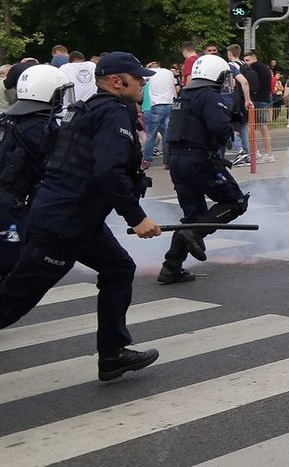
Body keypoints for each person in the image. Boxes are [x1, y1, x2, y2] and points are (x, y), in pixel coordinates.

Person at [0, 52, 162, 381]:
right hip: (63, 224)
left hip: (78, 218)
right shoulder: (115, 112)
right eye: (138, 78)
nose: (143, 83)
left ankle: (113, 353)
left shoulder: (88, 109)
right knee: (11, 302)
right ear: (118, 82)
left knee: (119, 268)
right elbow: (108, 171)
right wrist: (136, 217)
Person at [158, 54, 249, 284]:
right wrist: (229, 126)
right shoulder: (210, 96)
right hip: (198, 160)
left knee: (194, 215)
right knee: (235, 202)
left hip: (177, 162)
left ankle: (171, 266)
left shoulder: (183, 95)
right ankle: (195, 234)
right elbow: (218, 128)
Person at [0, 64, 70, 277]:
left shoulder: (12, 120)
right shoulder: (42, 129)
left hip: (8, 199)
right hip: (11, 204)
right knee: (10, 267)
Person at [141, 64, 177, 170]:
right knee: (167, 135)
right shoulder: (169, 72)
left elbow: (141, 82)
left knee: (151, 135)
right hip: (170, 103)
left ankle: (146, 160)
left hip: (156, 105)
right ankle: (168, 161)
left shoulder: (149, 73)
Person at [243, 50, 274, 163]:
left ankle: (261, 153)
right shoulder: (264, 67)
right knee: (261, 126)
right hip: (264, 98)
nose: (246, 63)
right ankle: (265, 152)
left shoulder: (254, 67)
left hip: (257, 99)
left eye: (247, 60)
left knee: (254, 126)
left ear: (253, 58)